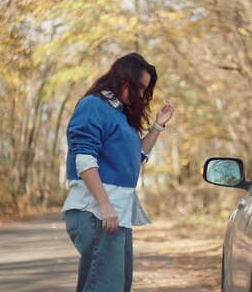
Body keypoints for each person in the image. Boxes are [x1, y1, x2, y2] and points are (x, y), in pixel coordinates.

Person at [61, 52, 175, 292]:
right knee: (105, 287)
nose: (143, 95)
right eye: (140, 87)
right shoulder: (94, 105)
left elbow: (136, 158)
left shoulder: (120, 115)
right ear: (124, 81)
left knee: (114, 286)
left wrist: (158, 126)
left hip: (116, 213)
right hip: (97, 212)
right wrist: (104, 205)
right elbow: (83, 158)